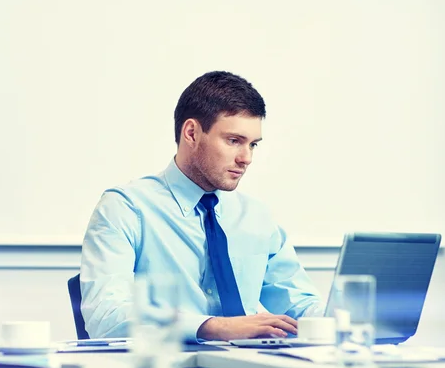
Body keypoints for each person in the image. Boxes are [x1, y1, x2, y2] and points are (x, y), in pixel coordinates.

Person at [80, 71, 321, 342]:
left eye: (253, 144)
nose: (247, 158)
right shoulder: (125, 208)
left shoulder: (256, 216)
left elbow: (299, 303)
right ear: (192, 133)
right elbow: (105, 315)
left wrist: (357, 317)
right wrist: (212, 327)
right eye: (234, 141)